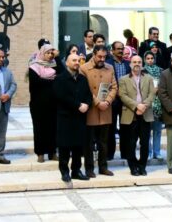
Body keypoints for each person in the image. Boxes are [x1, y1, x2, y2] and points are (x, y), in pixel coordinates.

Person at [53, 54, 92, 182]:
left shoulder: (82, 78)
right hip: (66, 117)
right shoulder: (60, 79)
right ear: (67, 62)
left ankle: (76, 170)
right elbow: (61, 96)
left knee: (78, 146)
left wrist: (87, 104)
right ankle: (64, 171)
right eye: (73, 60)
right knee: (65, 146)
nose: (76, 62)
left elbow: (88, 94)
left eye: (78, 60)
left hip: (80, 118)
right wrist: (78, 105)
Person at [80, 45, 117, 177]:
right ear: (94, 54)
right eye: (99, 56)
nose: (102, 59)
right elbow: (84, 89)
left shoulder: (110, 68)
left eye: (104, 56)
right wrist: (97, 102)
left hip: (106, 109)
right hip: (91, 110)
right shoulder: (84, 68)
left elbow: (114, 87)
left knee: (104, 141)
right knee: (88, 142)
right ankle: (89, 169)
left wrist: (107, 102)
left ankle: (103, 167)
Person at [118, 55, 155, 176]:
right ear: (130, 64)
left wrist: (143, 105)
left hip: (145, 113)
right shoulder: (123, 79)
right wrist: (136, 106)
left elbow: (152, 94)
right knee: (131, 143)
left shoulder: (148, 78)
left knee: (145, 143)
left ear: (142, 64)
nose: (137, 64)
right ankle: (133, 166)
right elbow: (122, 95)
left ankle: (142, 166)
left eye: (139, 62)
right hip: (130, 114)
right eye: (134, 62)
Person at [28, 44, 62, 163]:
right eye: (47, 53)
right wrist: (52, 80)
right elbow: (35, 82)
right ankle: (40, 153)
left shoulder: (54, 65)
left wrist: (57, 58)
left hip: (53, 103)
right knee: (39, 128)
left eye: (51, 53)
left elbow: (62, 76)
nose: (49, 55)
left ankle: (52, 152)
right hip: (38, 104)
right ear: (42, 53)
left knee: (53, 128)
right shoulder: (34, 66)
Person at [106, 41, 131, 160]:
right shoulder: (108, 63)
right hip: (112, 99)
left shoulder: (128, 64)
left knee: (125, 127)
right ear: (113, 50)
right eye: (118, 49)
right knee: (110, 127)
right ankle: (110, 153)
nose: (121, 51)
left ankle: (125, 153)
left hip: (125, 100)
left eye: (122, 49)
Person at [143, 51, 164, 159]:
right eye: (148, 58)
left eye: (152, 58)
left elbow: (165, 85)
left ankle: (157, 152)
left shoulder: (161, 71)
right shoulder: (142, 71)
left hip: (159, 104)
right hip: (148, 103)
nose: (150, 60)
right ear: (145, 60)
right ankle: (149, 152)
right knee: (147, 132)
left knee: (157, 130)